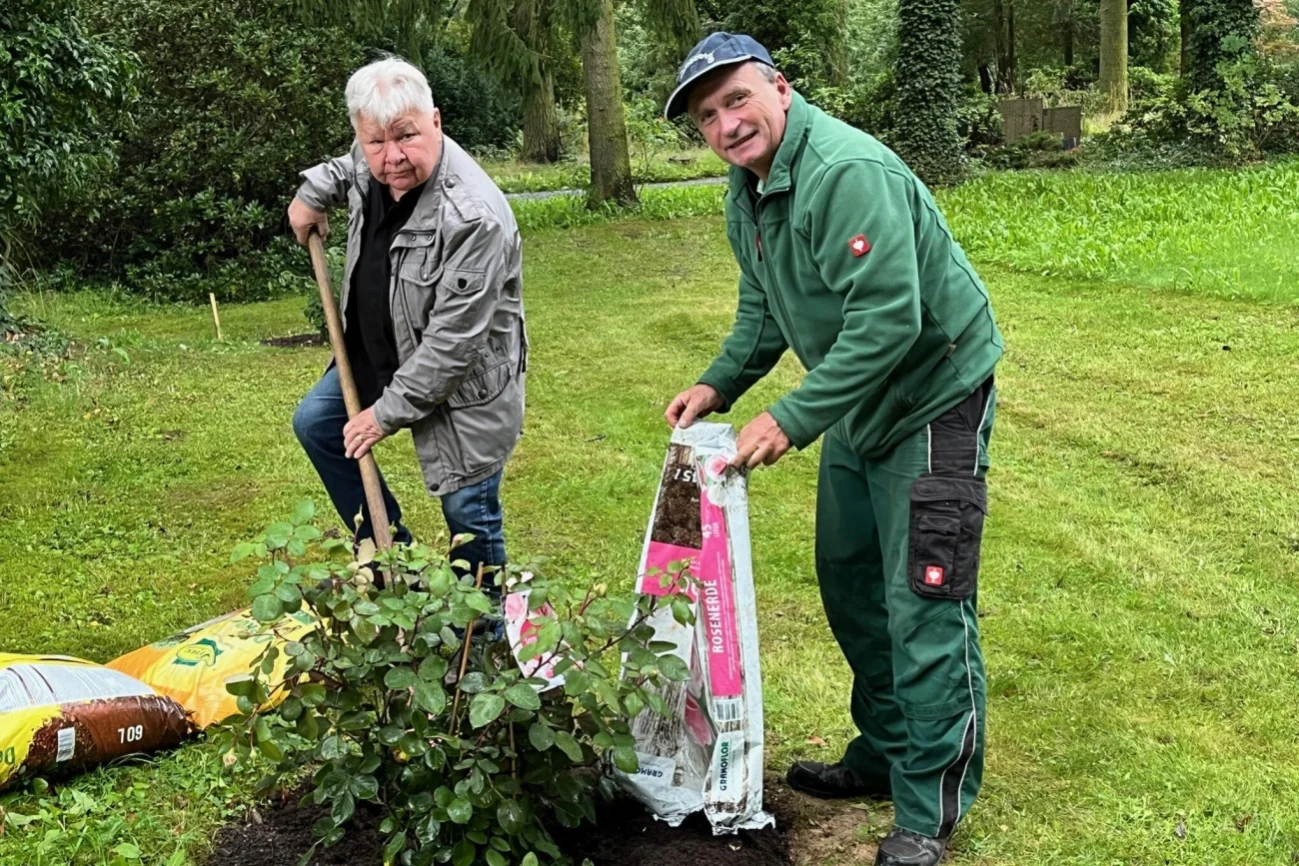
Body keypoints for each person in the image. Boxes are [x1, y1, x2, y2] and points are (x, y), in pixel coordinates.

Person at [662, 33, 1004, 866]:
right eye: (708, 117)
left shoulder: (845, 173)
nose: (727, 125)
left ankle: (927, 808)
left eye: (736, 100)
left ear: (778, 87)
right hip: (857, 405)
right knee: (851, 583)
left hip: (931, 395)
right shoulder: (747, 191)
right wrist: (718, 385)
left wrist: (788, 418)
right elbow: (766, 306)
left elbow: (889, 318)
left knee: (924, 599)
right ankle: (884, 753)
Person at [287, 57, 526, 579]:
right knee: (319, 426)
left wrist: (381, 416)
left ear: (435, 121)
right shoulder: (370, 157)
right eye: (376, 141)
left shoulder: (473, 218)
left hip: (465, 388)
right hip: (379, 353)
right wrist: (310, 196)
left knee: (469, 514)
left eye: (406, 137)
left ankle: (479, 638)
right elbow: (346, 167)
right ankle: (394, 562)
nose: (391, 157)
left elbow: (451, 348)